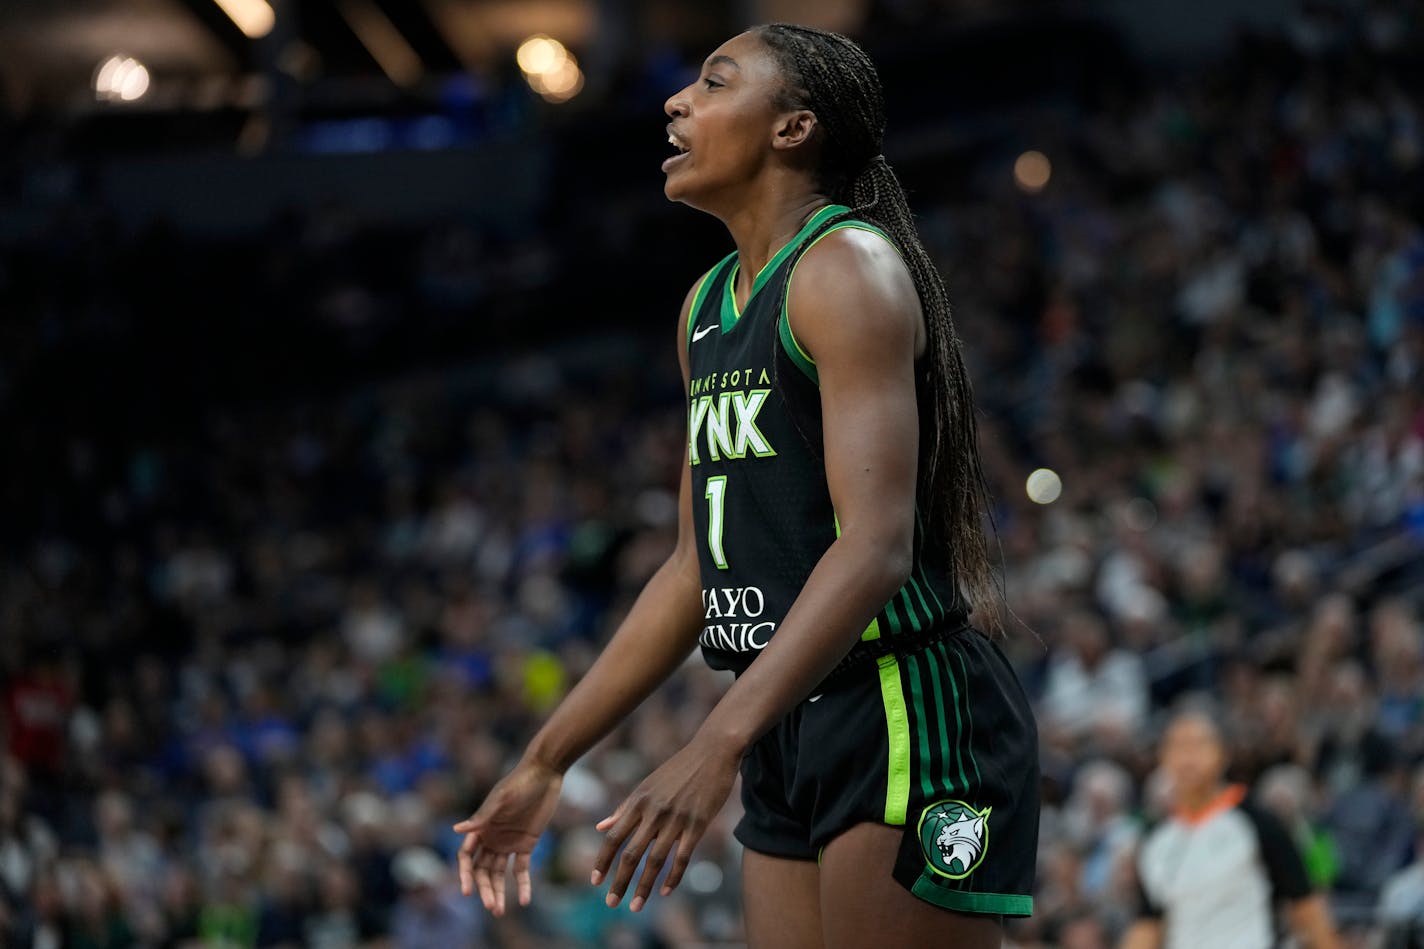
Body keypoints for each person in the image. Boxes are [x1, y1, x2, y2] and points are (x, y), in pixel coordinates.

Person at [453, 22, 1039, 948]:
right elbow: (693, 569)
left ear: (791, 128)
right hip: (786, 715)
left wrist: (714, 741)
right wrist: (545, 760)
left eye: (714, 82)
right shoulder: (708, 306)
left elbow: (877, 546)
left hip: (897, 702)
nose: (676, 101)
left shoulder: (845, 268)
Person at [1120, 705, 1341, 949]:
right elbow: (1147, 926)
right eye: (1178, 746)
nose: (1187, 757)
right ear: (1162, 757)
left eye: (1198, 745)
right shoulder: (1155, 839)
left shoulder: (1258, 823)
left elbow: (1307, 909)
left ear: (1223, 753)